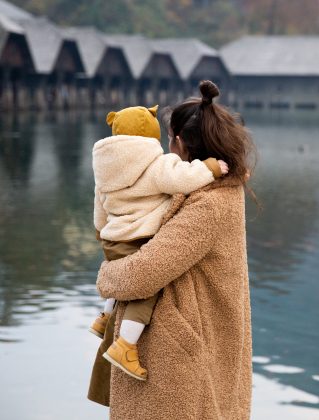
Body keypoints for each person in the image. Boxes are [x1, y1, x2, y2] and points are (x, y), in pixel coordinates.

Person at [87, 80, 254, 420]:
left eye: (168, 138)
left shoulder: (211, 203)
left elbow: (142, 273)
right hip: (187, 349)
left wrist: (105, 275)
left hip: (180, 361)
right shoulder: (198, 189)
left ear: (179, 141)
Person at [89, 104, 229, 381]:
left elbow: (100, 206)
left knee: (121, 279)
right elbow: (183, 179)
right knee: (143, 291)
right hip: (139, 237)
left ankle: (104, 317)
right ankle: (126, 346)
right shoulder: (156, 165)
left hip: (112, 238)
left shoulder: (104, 171)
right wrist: (210, 167)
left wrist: (101, 231)